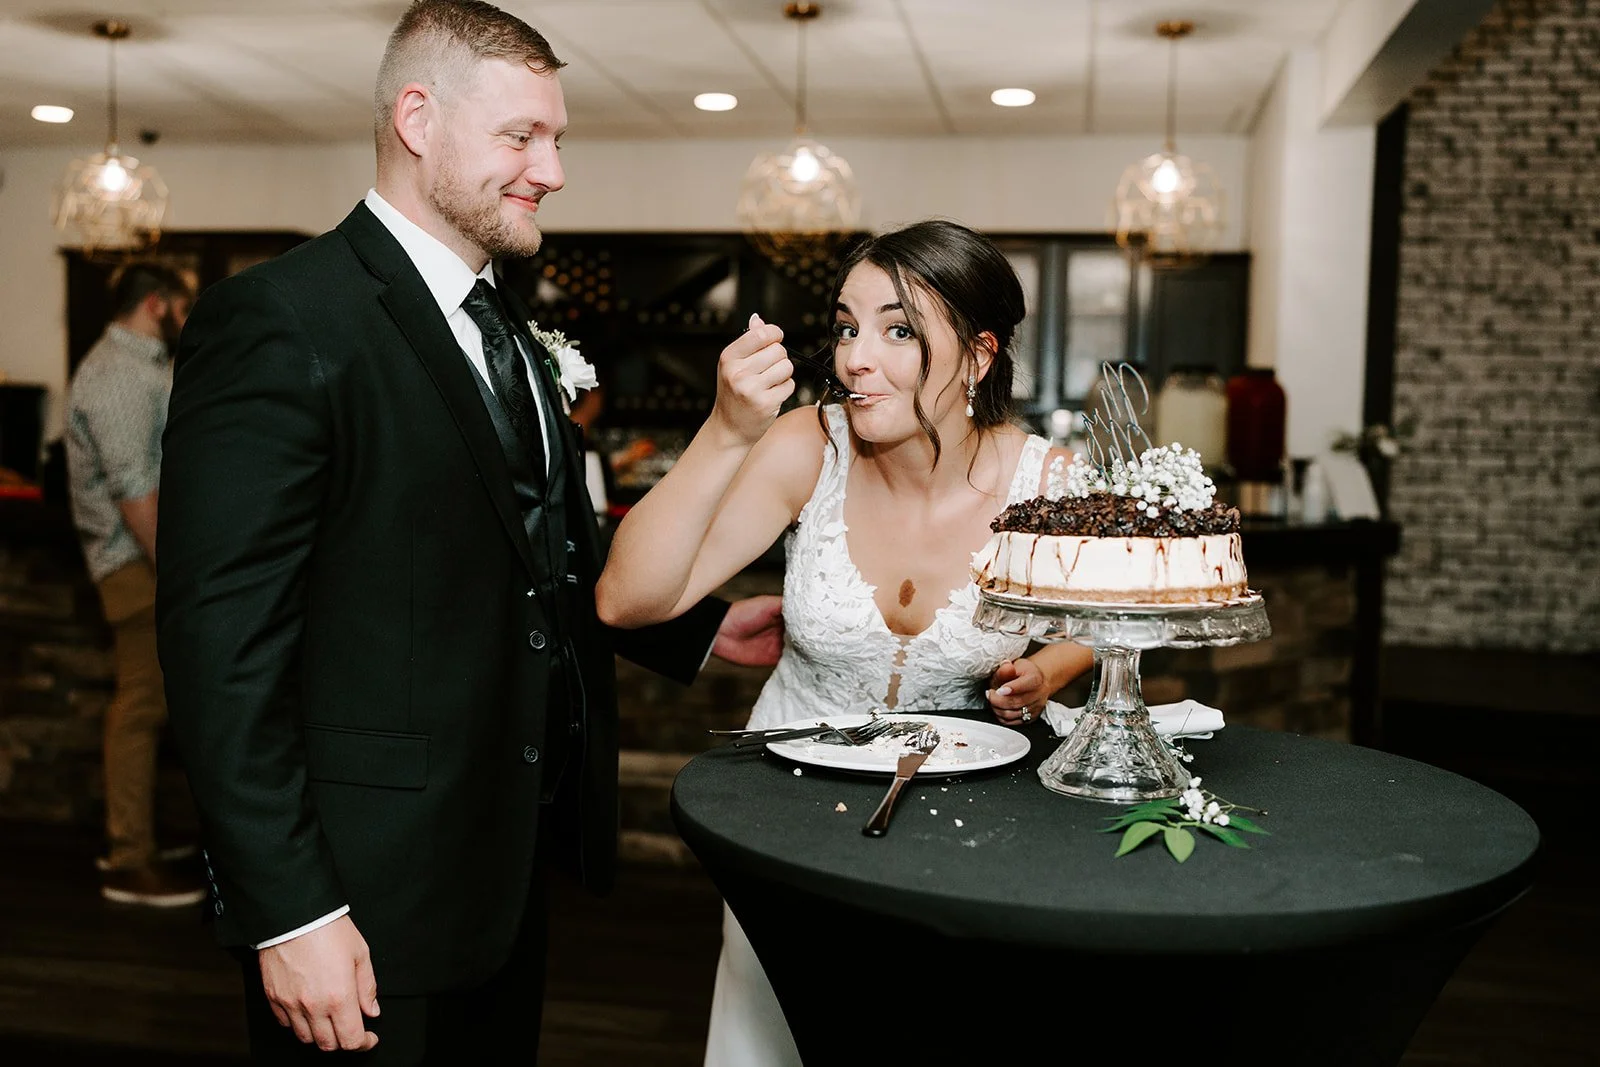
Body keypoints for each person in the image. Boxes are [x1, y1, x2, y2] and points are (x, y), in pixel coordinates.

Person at [155, 2, 782, 1062]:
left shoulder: (508, 333)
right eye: (521, 137)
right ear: (417, 118)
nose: (553, 169)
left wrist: (698, 631)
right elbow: (222, 648)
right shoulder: (281, 320)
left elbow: (544, 550)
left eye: (557, 138)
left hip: (500, 858)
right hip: (360, 881)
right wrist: (290, 909)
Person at [596, 218, 1095, 1065]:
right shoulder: (807, 444)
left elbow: (1097, 629)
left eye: (899, 330)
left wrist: (1044, 670)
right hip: (788, 815)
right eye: (846, 326)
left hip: (967, 824)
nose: (856, 356)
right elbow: (627, 601)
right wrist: (725, 430)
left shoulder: (1052, 482)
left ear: (977, 357)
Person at [63, 260, 205, 908]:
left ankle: (136, 840)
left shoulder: (143, 366)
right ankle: (128, 858)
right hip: (135, 564)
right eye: (182, 304)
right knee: (142, 706)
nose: (186, 315)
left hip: (147, 561)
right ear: (156, 305)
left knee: (154, 704)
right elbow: (136, 494)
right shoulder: (118, 374)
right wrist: (179, 575)